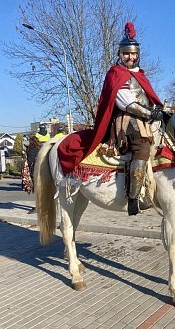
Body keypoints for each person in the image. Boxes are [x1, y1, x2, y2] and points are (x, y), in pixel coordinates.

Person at [57, 22, 163, 216]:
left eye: (133, 54)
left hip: (145, 119)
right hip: (125, 121)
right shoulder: (116, 73)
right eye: (126, 54)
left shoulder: (140, 75)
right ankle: (134, 198)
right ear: (120, 54)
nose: (130, 57)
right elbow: (126, 102)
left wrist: (161, 110)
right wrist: (150, 113)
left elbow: (149, 98)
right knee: (142, 146)